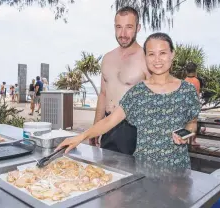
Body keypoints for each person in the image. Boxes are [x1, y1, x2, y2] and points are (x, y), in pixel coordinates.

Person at [56, 32, 201, 168]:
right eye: (151, 54)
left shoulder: (187, 90)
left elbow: (192, 122)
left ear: (172, 54)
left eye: (162, 53)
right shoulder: (137, 92)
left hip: (178, 169)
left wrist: (187, 133)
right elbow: (109, 121)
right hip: (144, 170)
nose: (157, 59)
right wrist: (80, 137)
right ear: (145, 57)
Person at [90, 6, 150, 155]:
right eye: (119, 27)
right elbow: (103, 94)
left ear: (138, 28)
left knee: (135, 175)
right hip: (108, 126)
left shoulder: (147, 59)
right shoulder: (108, 58)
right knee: (107, 172)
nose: (123, 34)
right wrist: (96, 127)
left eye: (129, 27)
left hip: (133, 128)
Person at [184, 62, 201, 146]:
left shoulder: (184, 80)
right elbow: (197, 95)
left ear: (186, 71)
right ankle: (193, 141)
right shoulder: (196, 81)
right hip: (193, 105)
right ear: (195, 71)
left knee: (186, 123)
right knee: (194, 123)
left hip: (185, 105)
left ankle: (186, 140)